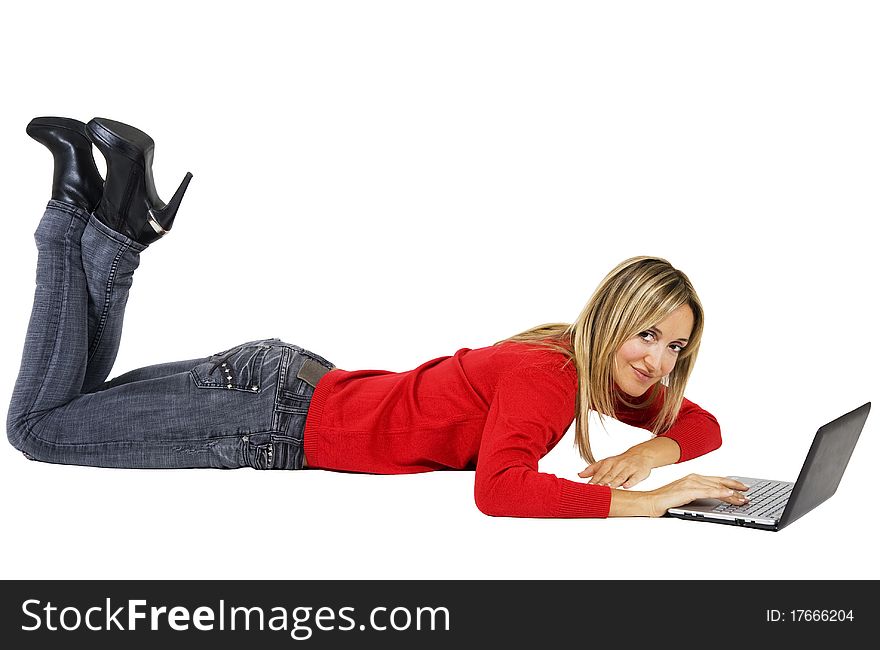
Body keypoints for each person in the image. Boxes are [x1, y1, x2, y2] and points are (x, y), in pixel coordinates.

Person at [6, 116, 750, 519]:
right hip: (268, 417)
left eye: (675, 347)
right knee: (39, 428)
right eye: (648, 334)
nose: (658, 361)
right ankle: (82, 220)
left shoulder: (586, 362)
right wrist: (646, 504)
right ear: (611, 317)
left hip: (279, 388)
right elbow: (503, 490)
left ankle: (93, 203)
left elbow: (700, 422)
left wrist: (653, 452)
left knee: (72, 404)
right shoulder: (552, 376)